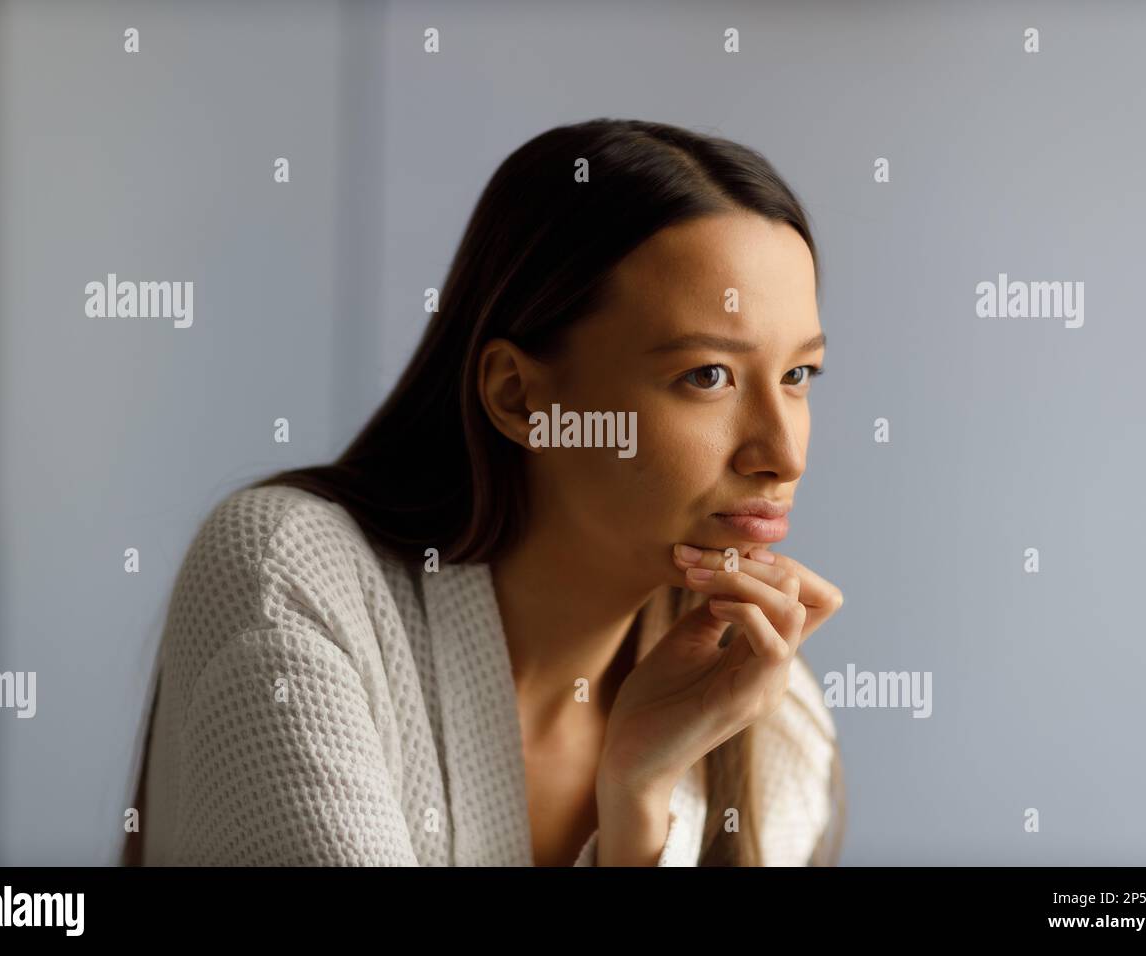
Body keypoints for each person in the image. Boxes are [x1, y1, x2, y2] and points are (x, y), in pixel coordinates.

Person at [123, 117, 846, 867]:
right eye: (707, 376)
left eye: (798, 376)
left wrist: (641, 797)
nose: (783, 454)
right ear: (520, 398)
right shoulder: (290, 579)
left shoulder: (768, 715)